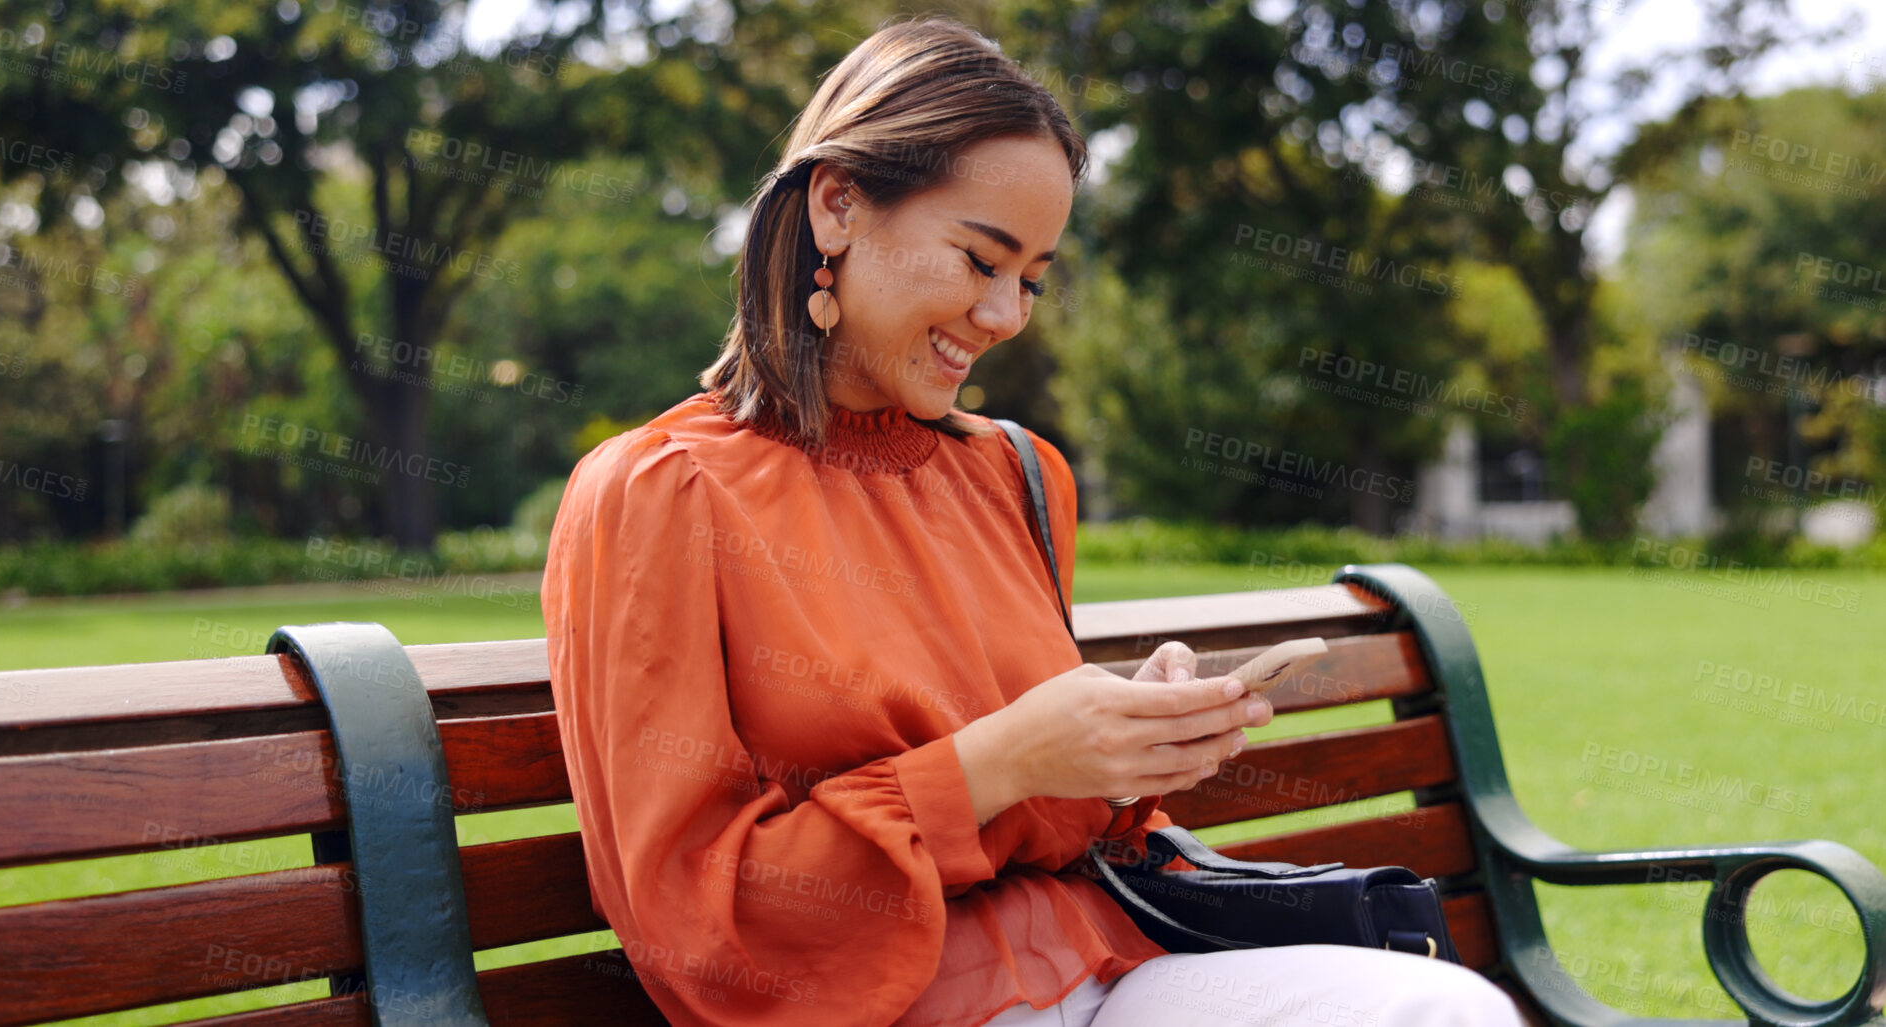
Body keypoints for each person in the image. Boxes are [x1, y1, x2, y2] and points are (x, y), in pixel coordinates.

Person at [541, 16, 1524, 1027]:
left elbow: (1070, 821)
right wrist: (997, 761)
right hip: (877, 1003)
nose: (1008, 315)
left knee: (1437, 1009)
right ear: (837, 205)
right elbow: (697, 927)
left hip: (1102, 960)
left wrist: (1124, 741)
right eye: (980, 260)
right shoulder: (661, 493)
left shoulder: (1014, 471)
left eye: (1034, 278)